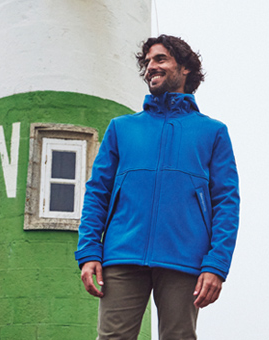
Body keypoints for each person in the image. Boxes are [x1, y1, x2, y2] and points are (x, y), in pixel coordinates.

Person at [75, 34, 240, 340]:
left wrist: (217, 263)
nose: (151, 67)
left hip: (184, 257)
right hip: (122, 253)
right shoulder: (121, 128)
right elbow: (97, 193)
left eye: (160, 59)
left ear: (185, 68)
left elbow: (227, 202)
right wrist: (88, 252)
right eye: (148, 62)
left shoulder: (213, 132)